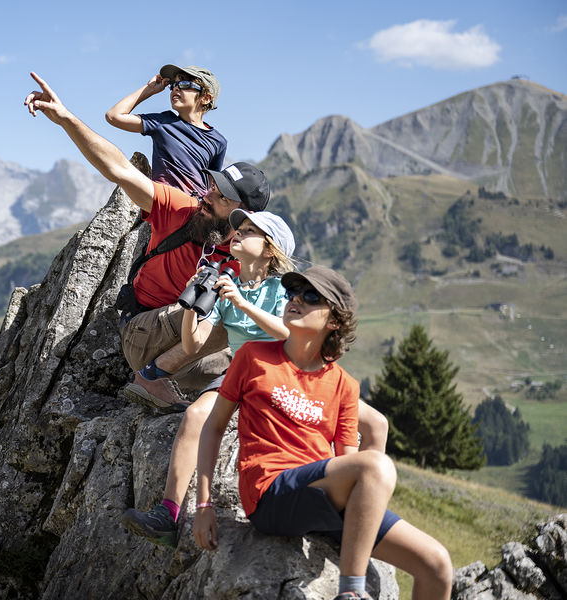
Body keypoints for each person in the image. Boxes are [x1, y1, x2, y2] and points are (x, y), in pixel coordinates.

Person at [121, 218, 388, 548]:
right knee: (195, 415)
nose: (238, 234)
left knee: (377, 424)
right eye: (240, 229)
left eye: (250, 232)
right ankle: (169, 514)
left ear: (269, 249)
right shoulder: (226, 288)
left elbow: (289, 333)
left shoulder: (283, 290)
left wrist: (242, 304)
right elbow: (193, 345)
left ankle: (364, 511)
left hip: (293, 372)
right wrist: (191, 305)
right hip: (243, 371)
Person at [192, 266, 453, 600]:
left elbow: (348, 465)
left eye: (311, 296)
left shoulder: (345, 385)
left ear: (335, 321)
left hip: (319, 499)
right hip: (270, 495)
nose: (296, 300)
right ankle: (351, 591)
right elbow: (213, 428)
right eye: (293, 293)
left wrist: (363, 517)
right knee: (377, 465)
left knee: (437, 564)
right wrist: (204, 505)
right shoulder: (253, 357)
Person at [25, 72, 271, 410]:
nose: (208, 195)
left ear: (243, 214)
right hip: (143, 332)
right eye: (213, 187)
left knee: (258, 343)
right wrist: (66, 118)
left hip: (187, 347)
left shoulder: (246, 253)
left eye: (222, 196)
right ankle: (150, 379)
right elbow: (119, 169)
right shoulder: (183, 210)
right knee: (233, 314)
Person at [105, 64, 226, 197]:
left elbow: (211, 187)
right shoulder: (162, 122)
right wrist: (149, 89)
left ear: (206, 98)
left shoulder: (218, 141)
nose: (176, 88)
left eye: (184, 84)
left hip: (194, 206)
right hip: (164, 202)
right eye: (173, 85)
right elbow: (114, 116)